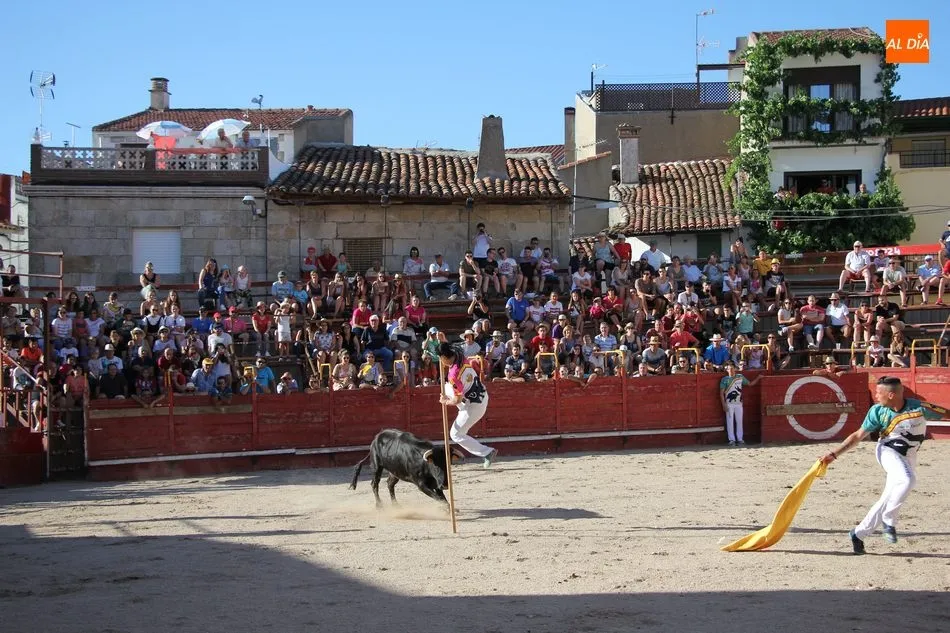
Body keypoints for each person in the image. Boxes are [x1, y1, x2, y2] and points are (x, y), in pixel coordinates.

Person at [819, 376, 947, 554]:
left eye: (879, 393)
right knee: (907, 480)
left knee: (888, 498)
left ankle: (858, 533)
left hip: (909, 456)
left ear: (891, 395)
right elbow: (858, 436)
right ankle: (889, 520)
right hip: (888, 451)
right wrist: (834, 454)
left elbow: (947, 413)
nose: (876, 396)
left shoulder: (920, 408)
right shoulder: (878, 411)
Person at [438, 342, 497, 467]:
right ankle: (463, 411)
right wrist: (442, 341)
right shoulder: (461, 357)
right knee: (447, 387)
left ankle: (487, 452)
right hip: (482, 395)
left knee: (455, 434)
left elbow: (457, 400)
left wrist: (445, 401)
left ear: (443, 357)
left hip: (474, 406)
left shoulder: (453, 375)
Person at [719, 360, 762, 447]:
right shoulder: (725, 379)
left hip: (739, 403)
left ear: (735, 369)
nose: (731, 370)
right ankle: (732, 440)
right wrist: (724, 404)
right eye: (729, 369)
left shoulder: (740, 377)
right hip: (729, 404)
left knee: (739, 421)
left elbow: (750, 384)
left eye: (732, 369)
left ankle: (740, 439)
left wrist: (758, 378)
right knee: (730, 422)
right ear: (726, 370)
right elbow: (721, 393)